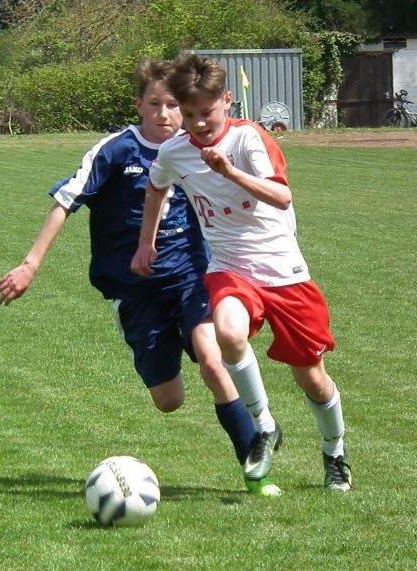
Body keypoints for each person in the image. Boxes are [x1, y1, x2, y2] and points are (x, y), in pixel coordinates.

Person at [0, 59, 280, 495]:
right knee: (169, 400)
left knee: (212, 360)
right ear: (139, 106)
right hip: (135, 292)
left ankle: (255, 468)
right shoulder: (116, 150)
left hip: (190, 277)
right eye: (155, 104)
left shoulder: (196, 149)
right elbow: (66, 201)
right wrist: (30, 264)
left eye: (174, 105)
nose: (165, 114)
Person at [131, 52, 352, 492]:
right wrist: (146, 242)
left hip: (285, 273)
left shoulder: (249, 138)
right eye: (188, 114)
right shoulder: (175, 151)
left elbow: (281, 197)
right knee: (228, 334)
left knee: (312, 378)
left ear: (227, 100)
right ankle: (264, 425)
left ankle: (335, 454)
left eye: (207, 112)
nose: (197, 123)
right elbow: (156, 188)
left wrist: (228, 171)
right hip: (231, 268)